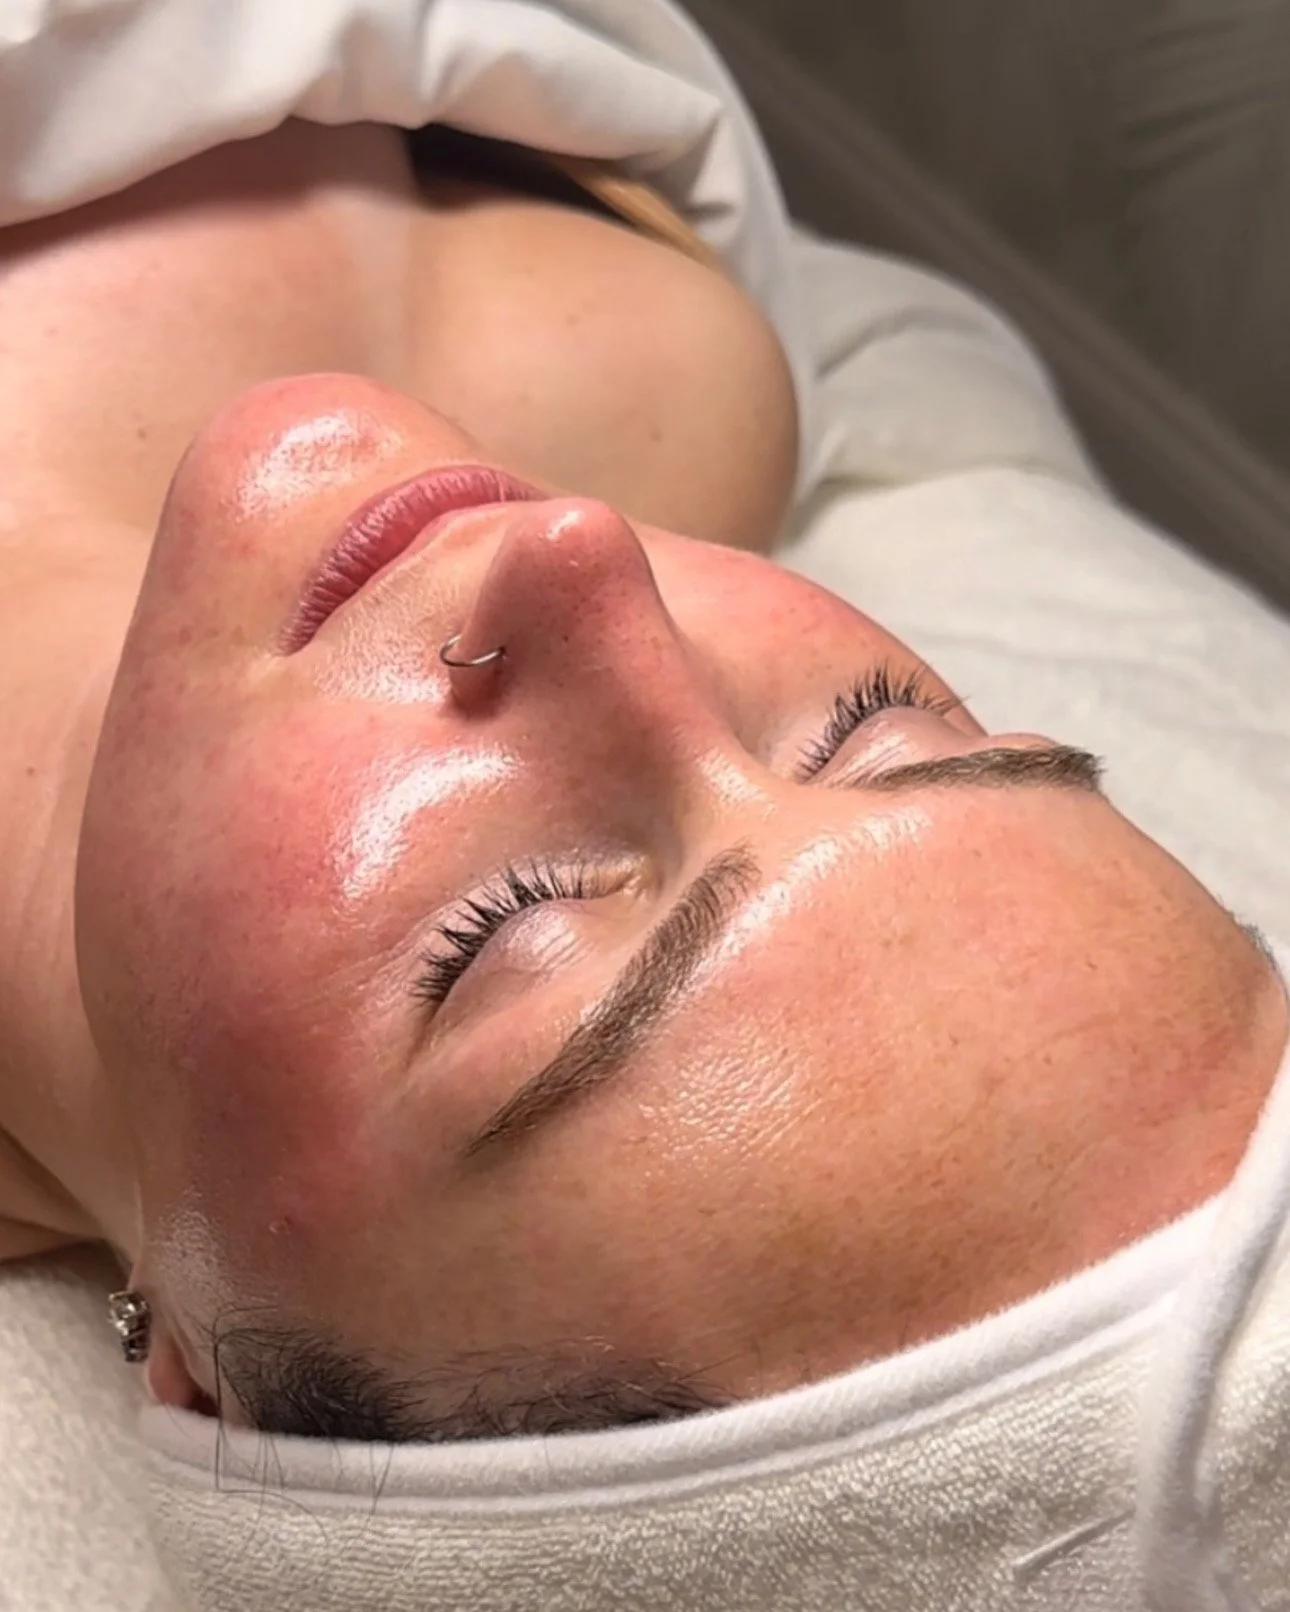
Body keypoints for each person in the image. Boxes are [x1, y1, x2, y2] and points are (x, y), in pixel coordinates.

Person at [0, 101, 1285, 1455]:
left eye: (519, 917)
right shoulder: (689, 388)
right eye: (868, 729)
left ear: (215, 1383)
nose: (580, 554)